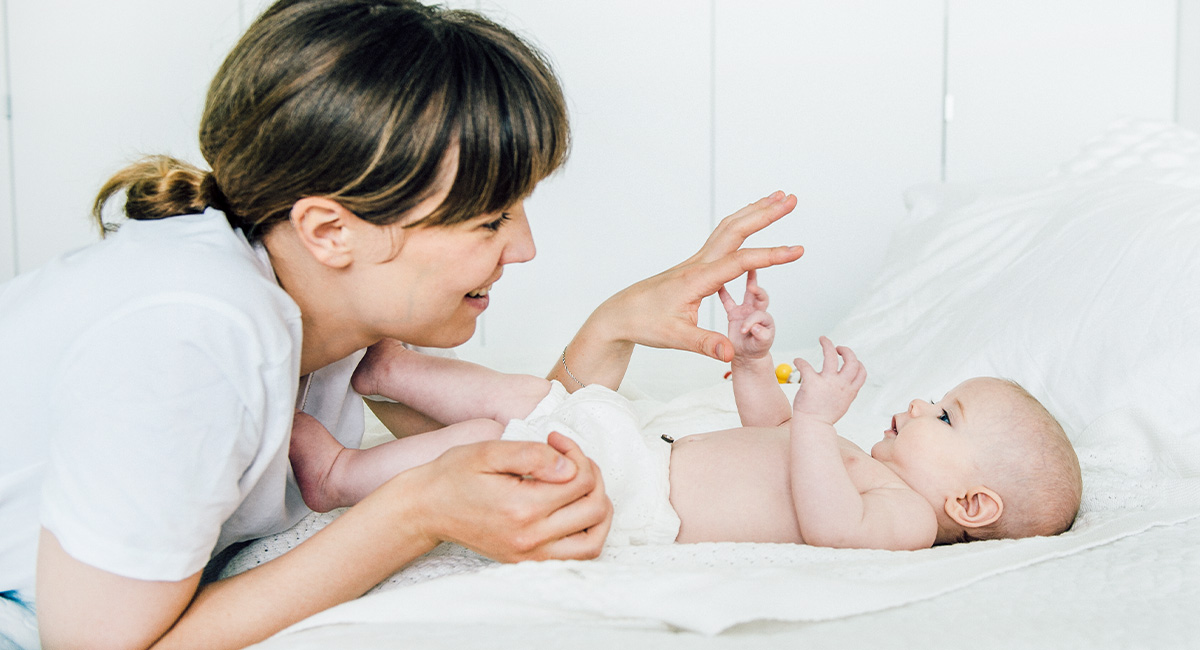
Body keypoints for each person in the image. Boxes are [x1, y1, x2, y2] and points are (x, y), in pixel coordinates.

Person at [0, 2, 805, 649]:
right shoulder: (191, 336)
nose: (524, 248)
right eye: (490, 221)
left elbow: (500, 447)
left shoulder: (325, 310)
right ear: (330, 231)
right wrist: (414, 515)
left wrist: (610, 330)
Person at [290, 271, 1083, 550]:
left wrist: (815, 424)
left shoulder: (905, 520)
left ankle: (342, 475)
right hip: (639, 450)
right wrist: (752, 362)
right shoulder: (858, 462)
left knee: (489, 437)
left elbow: (832, 529)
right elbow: (770, 432)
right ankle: (395, 368)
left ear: (971, 505)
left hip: (637, 498)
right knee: (536, 398)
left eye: (944, 417)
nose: (918, 404)